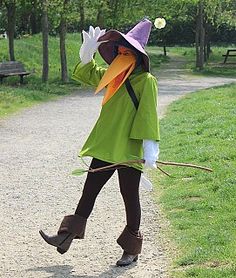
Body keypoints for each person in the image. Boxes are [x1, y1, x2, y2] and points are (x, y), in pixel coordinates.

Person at [39, 19, 160, 267]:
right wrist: (87, 53)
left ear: (138, 56)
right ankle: (65, 237)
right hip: (106, 146)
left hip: (129, 149)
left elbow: (148, 114)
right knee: (89, 191)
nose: (123, 55)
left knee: (129, 196)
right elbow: (88, 73)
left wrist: (150, 148)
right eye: (121, 51)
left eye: (128, 52)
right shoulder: (113, 75)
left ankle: (131, 249)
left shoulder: (146, 80)